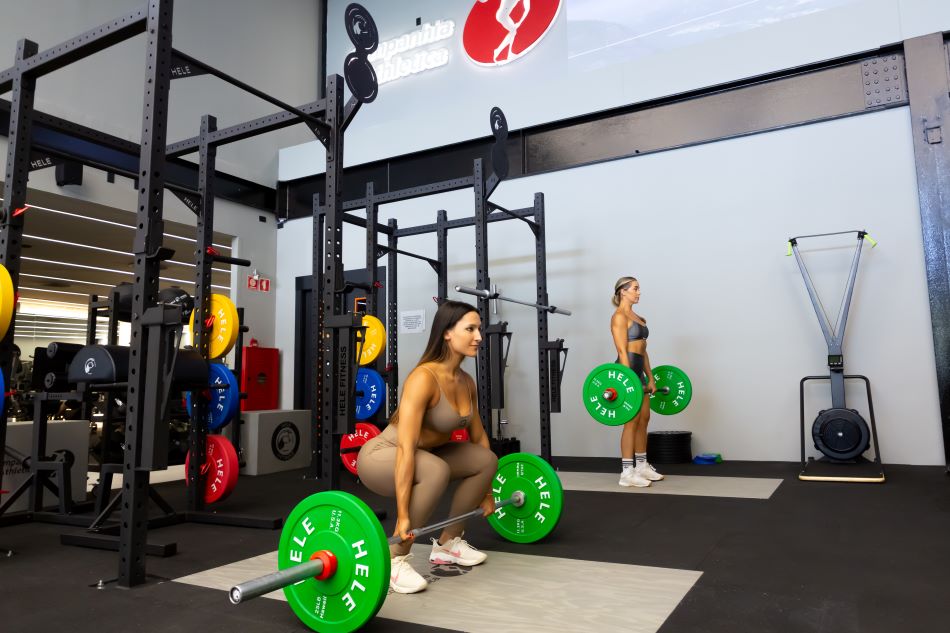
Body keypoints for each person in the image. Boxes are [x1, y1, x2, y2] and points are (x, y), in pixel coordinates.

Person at [357, 300, 498, 594]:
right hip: (382, 455)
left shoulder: (466, 382)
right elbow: (406, 448)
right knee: (437, 470)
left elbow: (479, 436)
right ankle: (394, 559)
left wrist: (487, 492)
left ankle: (448, 543)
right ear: (447, 333)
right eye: (470, 329)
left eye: (479, 329)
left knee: (486, 459)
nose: (479, 337)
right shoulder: (424, 378)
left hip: (426, 455)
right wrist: (404, 515)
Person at [611, 276, 664, 488]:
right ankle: (627, 472)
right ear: (623, 291)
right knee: (631, 422)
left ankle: (641, 466)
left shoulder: (637, 316)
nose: (639, 292)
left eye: (638, 288)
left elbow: (643, 351)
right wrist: (629, 381)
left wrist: (650, 377)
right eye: (635, 288)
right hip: (626, 371)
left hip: (639, 370)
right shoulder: (618, 317)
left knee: (644, 418)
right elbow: (623, 352)